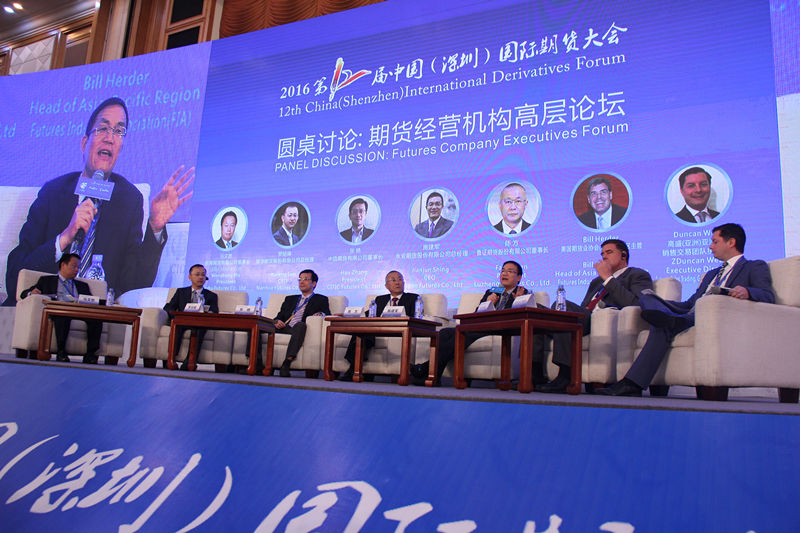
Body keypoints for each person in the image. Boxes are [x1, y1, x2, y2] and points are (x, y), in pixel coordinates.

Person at [4, 97, 194, 305]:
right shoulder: (53, 193)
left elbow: (133, 283)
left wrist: (155, 227)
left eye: (119, 131)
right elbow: (15, 275)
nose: (110, 138)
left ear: (120, 149)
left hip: (93, 310)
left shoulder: (128, 201)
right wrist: (65, 237)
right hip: (44, 304)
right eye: (103, 128)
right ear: (84, 143)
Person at [597, 223, 774, 396]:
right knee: (647, 298)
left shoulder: (754, 266)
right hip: (689, 314)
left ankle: (631, 384)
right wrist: (661, 303)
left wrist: (747, 291)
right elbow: (690, 303)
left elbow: (768, 295)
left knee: (662, 325)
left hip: (713, 317)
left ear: (731, 242)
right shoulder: (711, 274)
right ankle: (667, 319)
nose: (710, 246)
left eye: (715, 242)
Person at [533, 239, 653, 393]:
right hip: (584, 317)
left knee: (563, 310)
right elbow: (584, 307)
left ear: (623, 255)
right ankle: (534, 374)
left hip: (601, 322)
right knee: (535, 313)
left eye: (609, 252)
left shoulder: (637, 275)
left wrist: (608, 279)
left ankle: (565, 376)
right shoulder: (596, 281)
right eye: (602, 254)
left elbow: (635, 303)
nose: (604, 257)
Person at [410, 260, 528, 383]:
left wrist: (518, 301)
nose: (504, 274)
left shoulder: (522, 293)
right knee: (445, 332)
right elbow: (477, 313)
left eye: (510, 271)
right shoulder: (492, 291)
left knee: (461, 335)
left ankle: (425, 369)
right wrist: (488, 303)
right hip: (481, 327)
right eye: (503, 271)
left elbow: (518, 317)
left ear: (519, 277)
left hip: (499, 330)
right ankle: (435, 376)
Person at [20, 253, 102, 364]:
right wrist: (31, 293)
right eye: (74, 266)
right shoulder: (47, 281)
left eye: (78, 267)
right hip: (59, 310)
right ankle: (61, 352)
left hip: (80, 312)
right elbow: (23, 294)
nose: (77, 270)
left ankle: (90, 355)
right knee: (63, 316)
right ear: (63, 265)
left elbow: (91, 301)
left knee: (96, 319)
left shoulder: (82, 286)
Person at [339, 270, 420, 381]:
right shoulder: (380, 299)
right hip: (378, 330)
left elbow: (414, 316)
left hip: (398, 331)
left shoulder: (413, 298)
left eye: (400, 279)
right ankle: (355, 368)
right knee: (361, 333)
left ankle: (354, 371)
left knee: (366, 335)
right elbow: (368, 314)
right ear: (386, 286)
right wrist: (345, 315)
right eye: (393, 280)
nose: (397, 283)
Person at [273, 269, 331, 377]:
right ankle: (257, 363)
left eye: (306, 279)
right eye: (300, 279)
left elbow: (327, 314)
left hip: (300, 329)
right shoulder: (290, 299)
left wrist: (320, 314)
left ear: (314, 283)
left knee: (300, 325)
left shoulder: (320, 299)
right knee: (259, 326)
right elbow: (279, 316)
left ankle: (287, 362)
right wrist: (277, 321)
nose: (301, 282)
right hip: (285, 327)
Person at [163, 264, 219, 370]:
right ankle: (170, 359)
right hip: (182, 321)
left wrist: (207, 314)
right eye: (197, 274)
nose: (201, 277)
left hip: (200, 323)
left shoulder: (211, 296)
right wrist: (175, 316)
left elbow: (215, 311)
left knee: (200, 329)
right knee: (176, 327)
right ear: (190, 277)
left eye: (203, 275)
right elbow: (169, 307)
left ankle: (190, 361)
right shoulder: (181, 292)